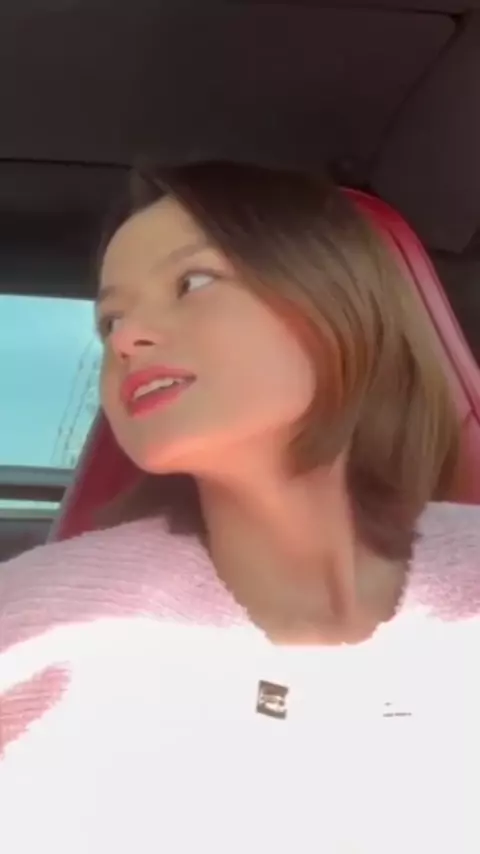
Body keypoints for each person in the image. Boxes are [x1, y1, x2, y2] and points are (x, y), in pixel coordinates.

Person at [0, 161, 479, 853]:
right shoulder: (36, 620)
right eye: (110, 320)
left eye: (192, 283)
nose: (127, 338)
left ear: (335, 304)